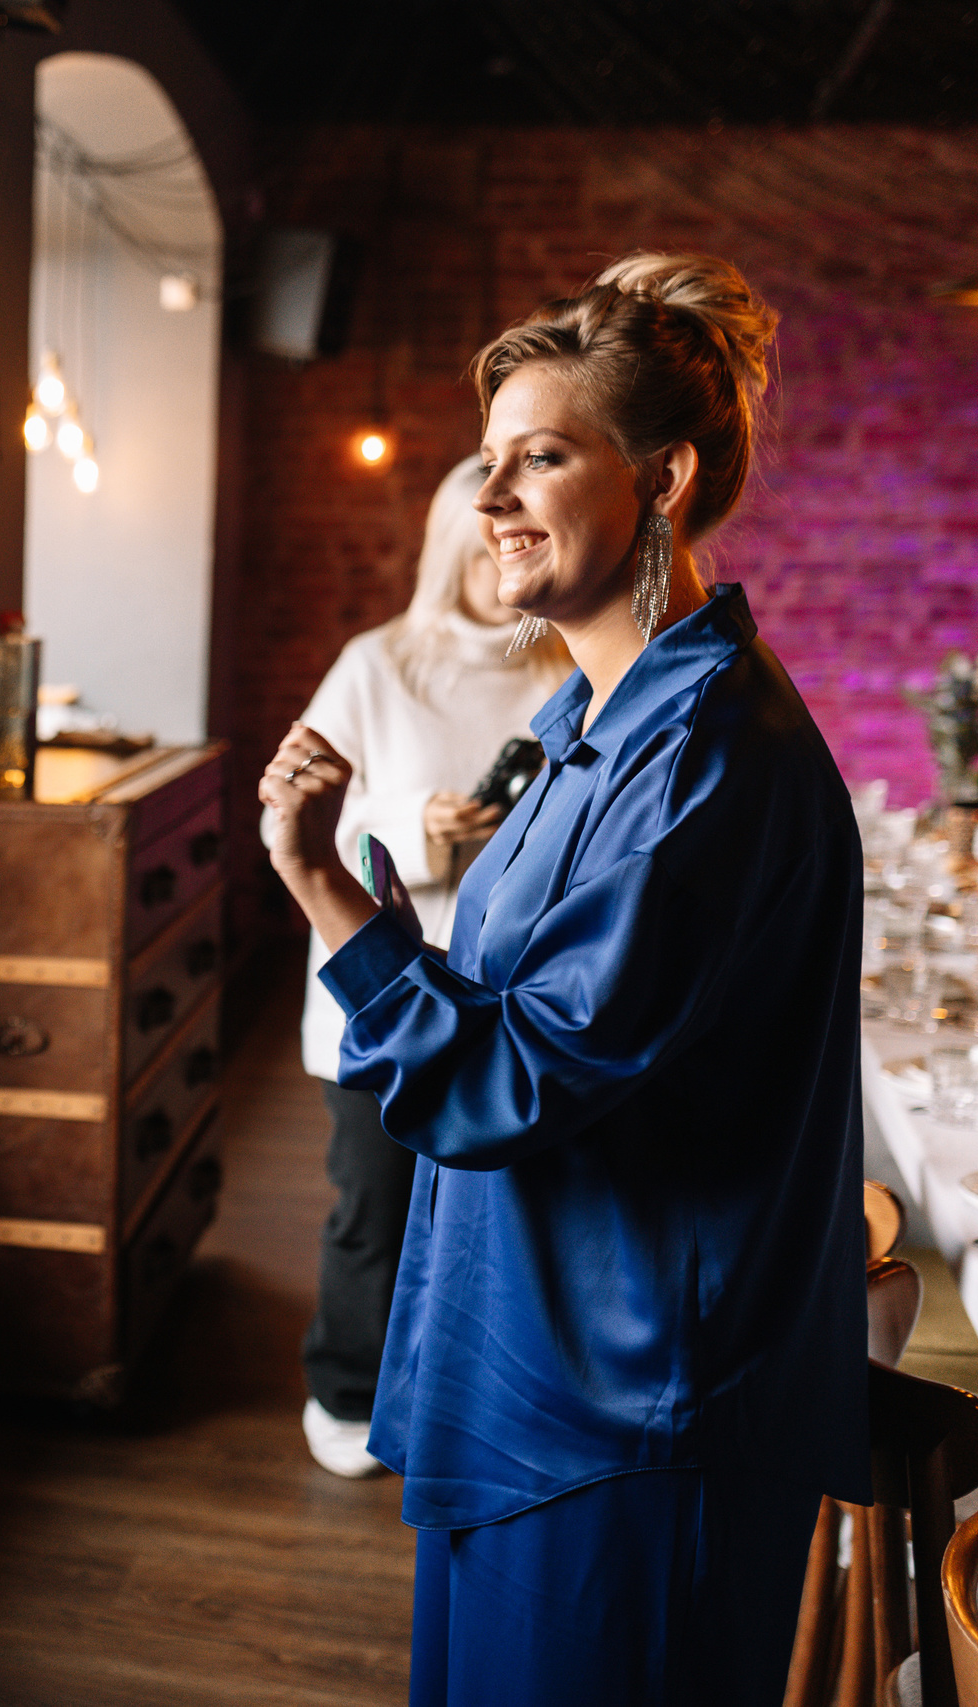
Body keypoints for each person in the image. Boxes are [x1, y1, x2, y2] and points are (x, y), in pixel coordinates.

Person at [258, 253, 867, 1704]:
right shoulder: (592, 713)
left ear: (663, 477)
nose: (493, 497)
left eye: (542, 455)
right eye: (487, 462)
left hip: (634, 1411)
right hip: (523, 1363)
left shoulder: (711, 752)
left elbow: (507, 1079)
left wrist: (327, 888)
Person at [266, 458, 570, 1479]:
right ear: (452, 543)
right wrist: (416, 829)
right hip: (380, 991)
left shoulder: (563, 671)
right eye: (487, 531)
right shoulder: (375, 665)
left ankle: (453, 1386)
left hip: (505, 993)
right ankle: (345, 1391)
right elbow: (306, 826)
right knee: (374, 1204)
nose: (505, 549)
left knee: (488, 1212)